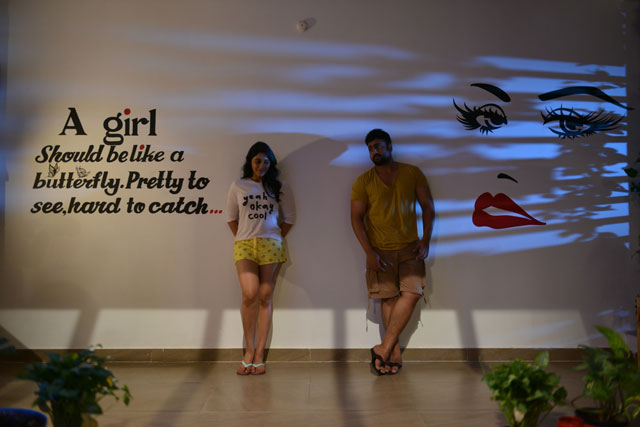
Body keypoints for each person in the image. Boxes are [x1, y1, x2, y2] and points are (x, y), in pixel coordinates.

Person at [350, 129, 434, 375]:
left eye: (378, 146)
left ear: (389, 147)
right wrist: (369, 252)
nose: (374, 151)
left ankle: (383, 347)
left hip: (411, 247)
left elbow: (428, 207)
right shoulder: (363, 181)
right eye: (370, 148)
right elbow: (355, 218)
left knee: (412, 293)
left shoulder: (412, 173)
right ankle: (393, 353)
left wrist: (426, 239)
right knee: (388, 298)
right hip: (380, 251)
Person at [226, 142, 295, 375]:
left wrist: (273, 236)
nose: (262, 165)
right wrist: (244, 235)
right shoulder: (238, 185)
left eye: (266, 161)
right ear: (250, 162)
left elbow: (289, 218)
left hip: (271, 245)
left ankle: (258, 354)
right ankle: (248, 350)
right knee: (249, 294)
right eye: (258, 161)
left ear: (271, 164)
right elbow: (231, 217)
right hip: (244, 245)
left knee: (265, 296)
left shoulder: (280, 187)